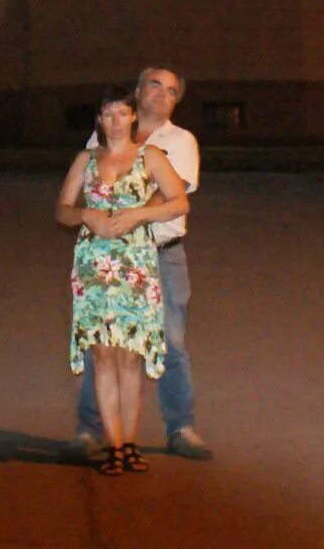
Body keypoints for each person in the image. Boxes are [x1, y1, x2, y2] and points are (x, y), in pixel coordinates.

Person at [72, 65, 213, 462]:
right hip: (110, 259)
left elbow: (171, 192)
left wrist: (130, 216)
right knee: (100, 344)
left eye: (171, 91)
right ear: (138, 91)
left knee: (171, 343)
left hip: (161, 255)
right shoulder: (107, 132)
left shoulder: (181, 141)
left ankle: (181, 427)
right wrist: (94, 219)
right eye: (155, 85)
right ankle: (90, 430)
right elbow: (87, 185)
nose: (162, 95)